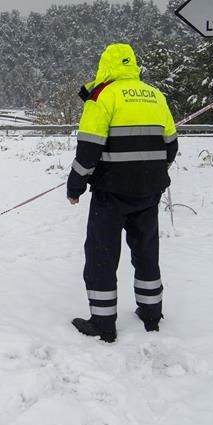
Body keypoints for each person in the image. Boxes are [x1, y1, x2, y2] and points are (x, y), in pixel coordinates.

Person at [67, 43, 178, 343]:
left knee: (102, 255)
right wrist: (151, 170)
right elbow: (171, 146)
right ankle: (151, 314)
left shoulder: (102, 96)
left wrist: (75, 184)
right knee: (146, 251)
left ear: (105, 66)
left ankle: (103, 325)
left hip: (111, 193)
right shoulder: (155, 95)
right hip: (149, 191)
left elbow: (89, 149)